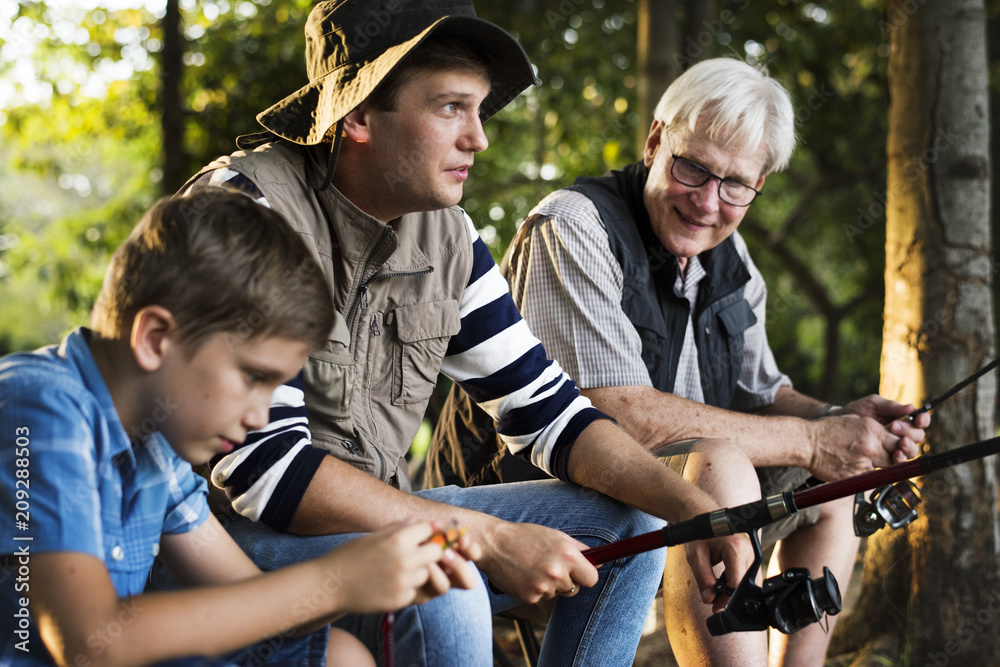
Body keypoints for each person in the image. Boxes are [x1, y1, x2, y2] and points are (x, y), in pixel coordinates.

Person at [147, 2, 760, 666]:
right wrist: (480, 536)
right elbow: (266, 475)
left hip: (373, 528)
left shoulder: (452, 241)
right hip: (216, 547)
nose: (479, 138)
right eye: (450, 108)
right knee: (449, 571)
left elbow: (554, 416)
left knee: (633, 523)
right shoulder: (243, 211)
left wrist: (698, 512)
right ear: (356, 113)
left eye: (479, 109)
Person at [426, 57, 931, 666]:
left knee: (834, 477)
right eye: (692, 168)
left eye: (736, 185)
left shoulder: (734, 263)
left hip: (662, 504)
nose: (707, 201)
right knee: (720, 464)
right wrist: (811, 440)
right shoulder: (573, 227)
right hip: (525, 507)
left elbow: (764, 395)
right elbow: (615, 415)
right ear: (655, 141)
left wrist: (843, 425)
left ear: (759, 186)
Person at [0, 189, 478, 667]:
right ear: (155, 339)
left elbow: (253, 600)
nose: (258, 417)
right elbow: (91, 642)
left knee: (338, 656)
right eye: (253, 377)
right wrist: (339, 576)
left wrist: (374, 571)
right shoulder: (38, 406)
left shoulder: (155, 444)